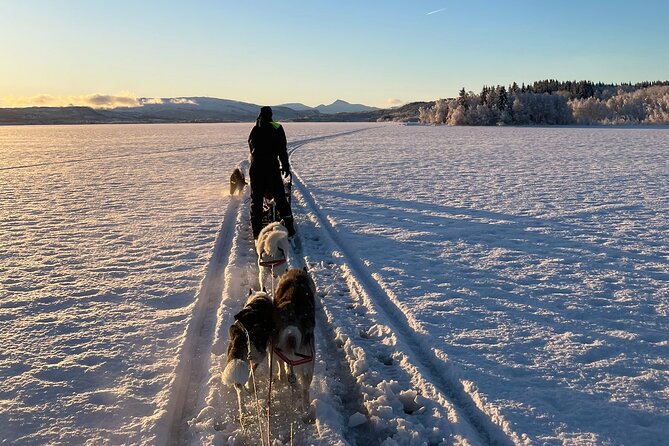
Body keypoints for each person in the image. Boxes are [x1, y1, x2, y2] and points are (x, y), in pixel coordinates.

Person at [248, 106, 295, 239]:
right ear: (271, 115)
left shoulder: (255, 128)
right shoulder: (277, 126)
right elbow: (282, 149)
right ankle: (290, 228)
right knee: (280, 198)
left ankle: (256, 232)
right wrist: (285, 165)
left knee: (256, 200)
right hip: (271, 167)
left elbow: (251, 147)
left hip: (256, 167)